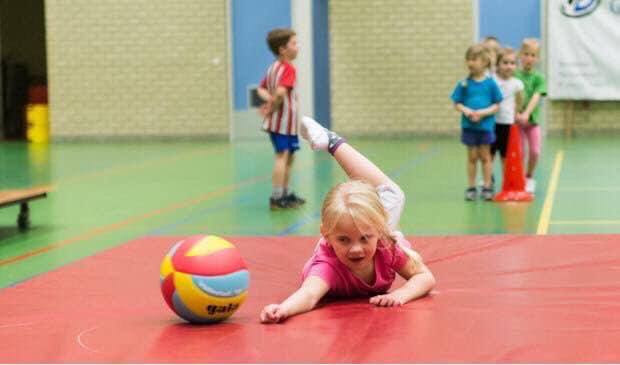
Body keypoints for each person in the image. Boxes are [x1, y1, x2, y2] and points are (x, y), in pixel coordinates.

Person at [260, 116, 436, 324]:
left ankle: (332, 141)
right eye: (344, 240)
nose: (355, 249)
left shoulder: (385, 245)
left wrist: (401, 295)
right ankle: (331, 141)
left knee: (392, 196)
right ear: (326, 235)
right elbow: (309, 294)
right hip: (357, 235)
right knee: (392, 195)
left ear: (379, 232)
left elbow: (425, 277)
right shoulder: (327, 265)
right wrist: (282, 309)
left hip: (380, 233)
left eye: (364, 239)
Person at [256, 28, 306, 210]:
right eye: (294, 43)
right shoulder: (287, 68)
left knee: (289, 157)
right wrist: (273, 105)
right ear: (282, 49)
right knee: (282, 156)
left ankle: (284, 193)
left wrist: (268, 100)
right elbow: (281, 93)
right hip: (282, 124)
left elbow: (260, 89)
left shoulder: (272, 68)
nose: (297, 46)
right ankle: (277, 197)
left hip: (287, 124)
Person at [450, 44, 503, 201]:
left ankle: (487, 186)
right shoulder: (463, 84)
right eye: (468, 59)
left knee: (486, 157)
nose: (470, 63)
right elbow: (457, 103)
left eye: (474, 59)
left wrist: (482, 113)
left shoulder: (490, 83)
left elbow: (497, 105)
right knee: (472, 157)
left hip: (485, 127)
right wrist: (466, 110)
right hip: (469, 127)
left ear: (485, 62)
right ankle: (472, 187)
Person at [515, 38, 547, 194]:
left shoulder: (539, 78)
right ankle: (520, 177)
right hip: (517, 121)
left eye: (533, 55)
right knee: (520, 152)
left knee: (535, 151)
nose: (529, 58)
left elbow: (536, 96)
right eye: (526, 54)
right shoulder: (514, 75)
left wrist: (527, 113)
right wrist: (517, 114)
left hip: (532, 121)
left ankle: (529, 175)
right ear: (520, 55)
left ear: (537, 58)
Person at [491, 48, 524, 174]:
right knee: (490, 153)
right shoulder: (492, 80)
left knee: (505, 155)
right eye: (505, 63)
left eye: (512, 63)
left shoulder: (517, 83)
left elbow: (520, 99)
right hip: (492, 122)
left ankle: (506, 181)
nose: (509, 66)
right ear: (498, 64)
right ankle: (488, 179)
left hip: (508, 123)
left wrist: (517, 113)